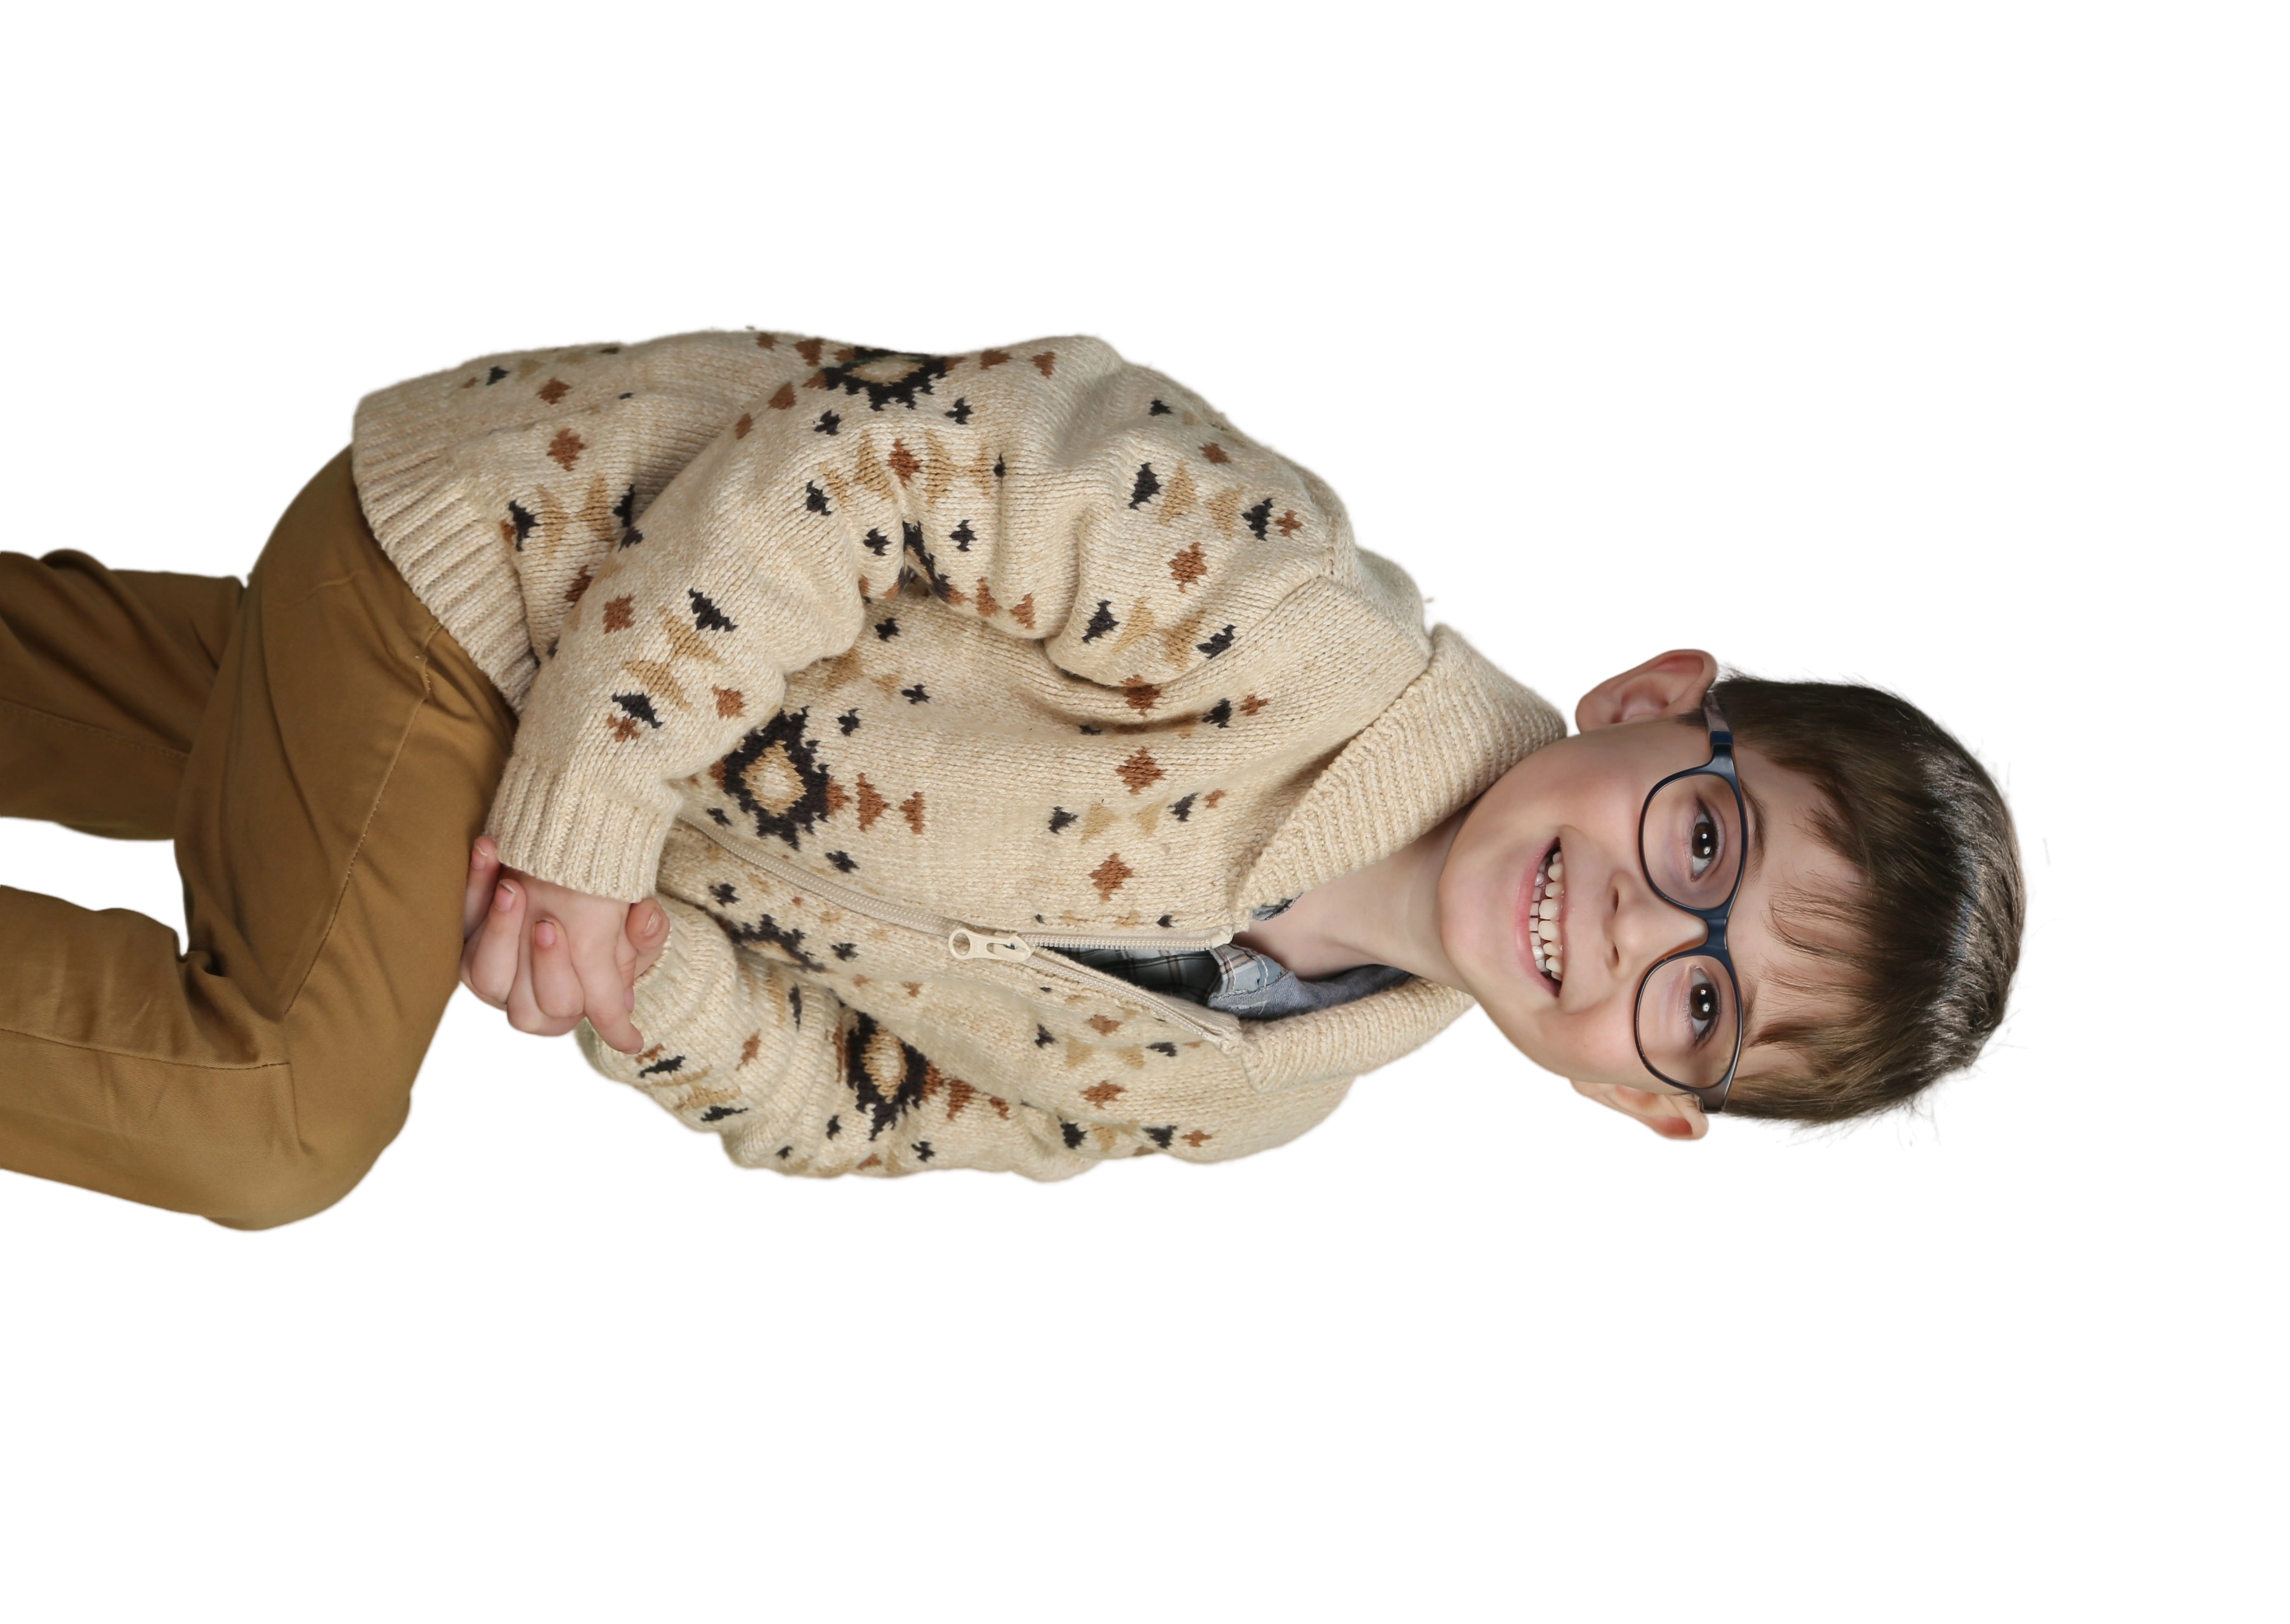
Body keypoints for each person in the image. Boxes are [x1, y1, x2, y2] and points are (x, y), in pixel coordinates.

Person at [0, 324, 2035, 1232]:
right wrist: (593, 818)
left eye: (1701, 1004)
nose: (1635, 926)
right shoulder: (1290, 607)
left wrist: (649, 985)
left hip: (498, 776)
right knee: (275, 1116)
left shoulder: (1254, 1091)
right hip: (516, 557)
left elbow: (866, 1109)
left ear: (1650, 1106)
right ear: (1659, 698)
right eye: (1704, 840)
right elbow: (869, 462)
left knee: (133, 722)